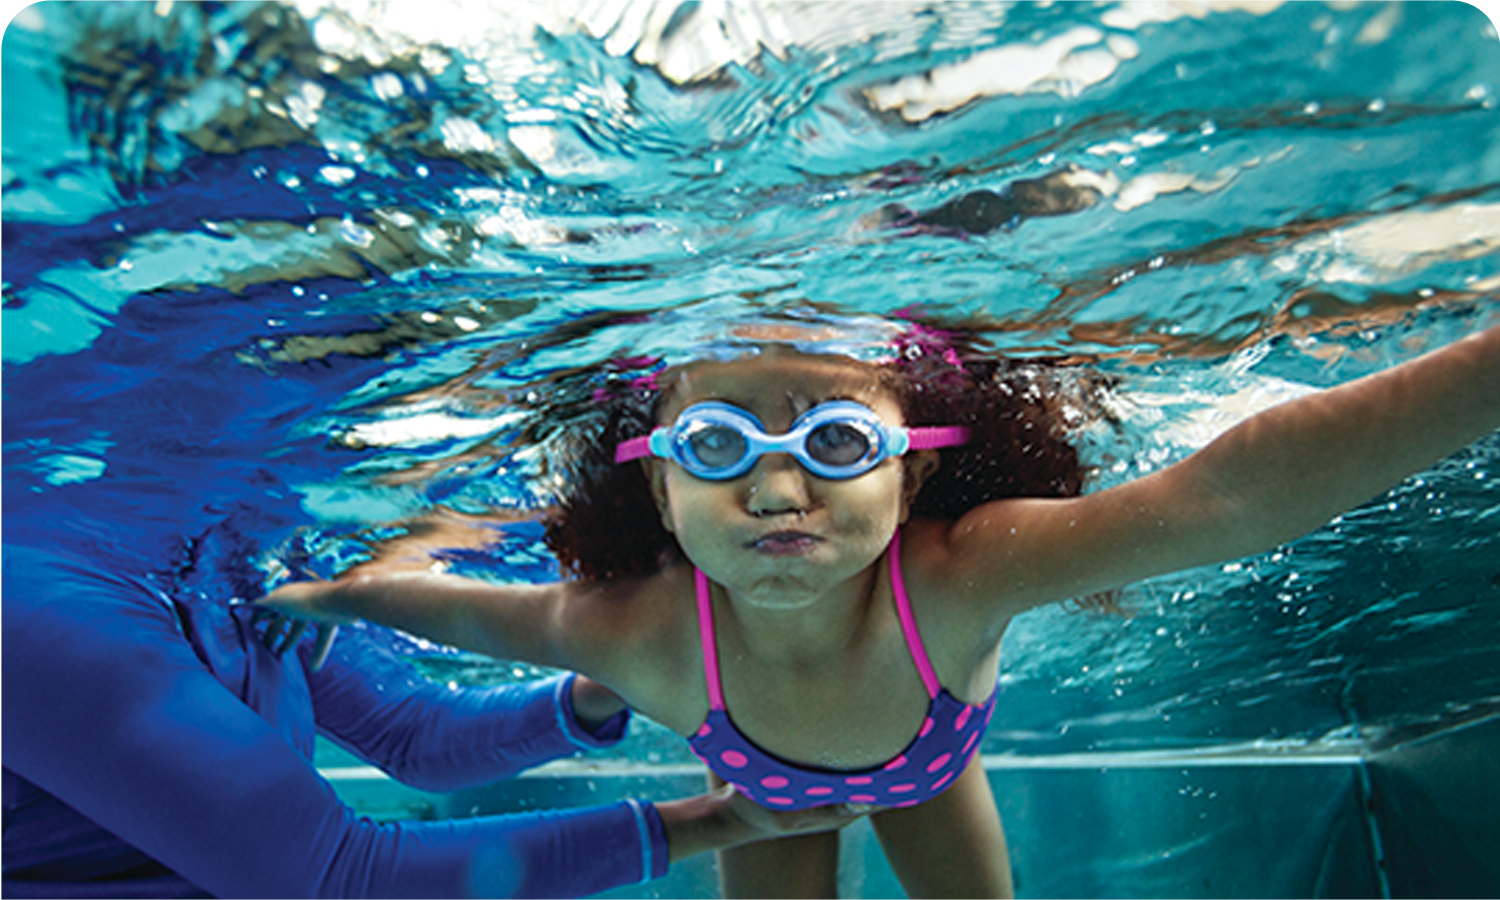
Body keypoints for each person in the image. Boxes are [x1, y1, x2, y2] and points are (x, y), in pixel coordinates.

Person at [261, 316, 1500, 900]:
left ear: (913, 467)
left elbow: (1227, 494)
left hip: (925, 775)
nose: (778, 485)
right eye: (718, 441)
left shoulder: (958, 574)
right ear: (657, 474)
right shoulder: (633, 627)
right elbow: (473, 615)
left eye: (840, 439)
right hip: (759, 803)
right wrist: (337, 593)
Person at [1, 524, 864, 900]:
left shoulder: (222, 567)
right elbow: (334, 877)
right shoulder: (33, 592)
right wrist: (713, 821)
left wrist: (622, 676)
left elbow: (414, 737)